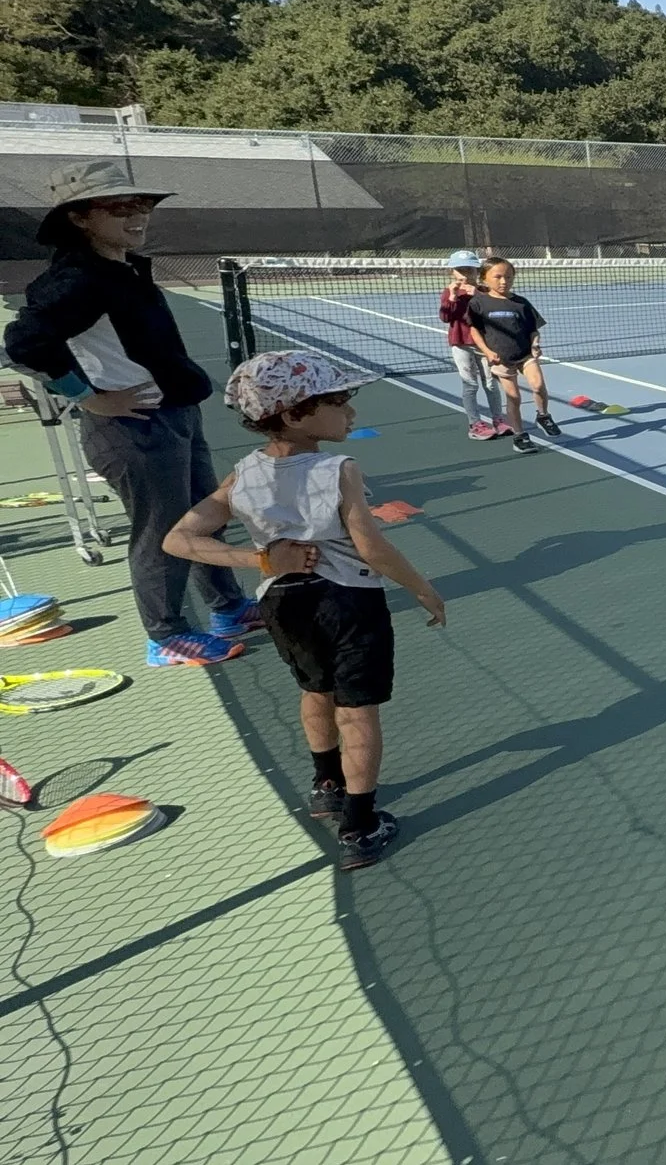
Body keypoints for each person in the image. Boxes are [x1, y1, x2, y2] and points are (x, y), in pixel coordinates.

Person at [163, 350, 447, 871]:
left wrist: (260, 559)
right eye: (338, 402)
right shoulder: (339, 468)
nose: (351, 413)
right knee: (357, 711)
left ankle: (327, 784)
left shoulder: (243, 474)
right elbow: (371, 547)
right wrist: (423, 588)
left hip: (281, 602)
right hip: (348, 602)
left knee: (314, 691)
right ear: (294, 414)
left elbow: (178, 540)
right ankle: (360, 826)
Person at [3, 160, 262, 666]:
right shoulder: (77, 278)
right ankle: (165, 636)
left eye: (142, 205)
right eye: (120, 207)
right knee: (161, 533)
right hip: (131, 427)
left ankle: (228, 608)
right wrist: (86, 395)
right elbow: (23, 343)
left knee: (203, 519)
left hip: (175, 414)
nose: (137, 215)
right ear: (80, 217)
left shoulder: (123, 266)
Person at [465, 256, 555, 454]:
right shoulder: (478, 303)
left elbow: (533, 330)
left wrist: (535, 344)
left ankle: (543, 415)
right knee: (513, 396)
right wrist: (488, 352)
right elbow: (474, 331)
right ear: (484, 279)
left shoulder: (521, 303)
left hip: (525, 355)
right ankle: (519, 436)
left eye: (508, 277)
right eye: (497, 277)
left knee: (538, 385)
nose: (504, 281)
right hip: (501, 358)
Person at [436, 249, 500, 441]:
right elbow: (445, 317)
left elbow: (492, 314)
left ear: (476, 272)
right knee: (470, 385)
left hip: (484, 344)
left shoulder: (485, 292)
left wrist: (478, 295)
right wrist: (453, 297)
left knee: (491, 383)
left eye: (469, 270)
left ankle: (498, 419)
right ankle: (475, 424)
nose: (465, 274)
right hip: (461, 343)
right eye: (460, 270)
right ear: (452, 272)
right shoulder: (449, 292)